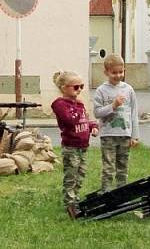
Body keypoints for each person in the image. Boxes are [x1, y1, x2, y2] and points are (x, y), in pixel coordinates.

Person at [51, 70, 99, 214]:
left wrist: (93, 127)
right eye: (76, 87)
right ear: (64, 88)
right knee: (71, 175)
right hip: (71, 146)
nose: (79, 90)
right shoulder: (60, 104)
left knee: (81, 174)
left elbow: (85, 119)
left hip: (83, 145)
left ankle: (75, 197)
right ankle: (69, 203)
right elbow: (70, 119)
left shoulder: (79, 105)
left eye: (81, 87)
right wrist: (78, 107)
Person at [93, 54, 139, 192]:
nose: (118, 75)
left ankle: (121, 192)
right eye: (114, 72)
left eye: (121, 72)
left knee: (123, 166)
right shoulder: (101, 90)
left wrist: (134, 135)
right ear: (106, 72)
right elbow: (97, 112)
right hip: (108, 134)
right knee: (108, 166)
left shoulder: (128, 89)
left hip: (125, 134)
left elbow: (134, 113)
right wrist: (112, 106)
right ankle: (106, 191)